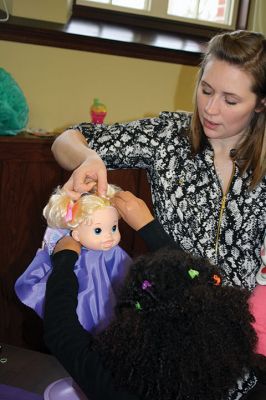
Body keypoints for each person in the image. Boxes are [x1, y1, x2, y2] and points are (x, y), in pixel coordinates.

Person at [50, 29, 266, 395]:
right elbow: (66, 139)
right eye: (206, 90)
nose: (210, 109)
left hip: (243, 354)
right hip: (167, 349)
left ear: (260, 103)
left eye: (231, 100)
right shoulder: (167, 137)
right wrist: (88, 158)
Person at [43, 191, 266, 400]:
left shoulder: (116, 382)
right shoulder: (235, 369)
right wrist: (147, 225)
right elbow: (200, 282)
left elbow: (61, 331)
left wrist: (64, 259)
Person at [15, 185, 132, 333]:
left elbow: (128, 278)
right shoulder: (71, 256)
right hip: (77, 313)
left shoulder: (113, 253)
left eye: (114, 228)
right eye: (98, 230)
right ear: (76, 234)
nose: (110, 236)